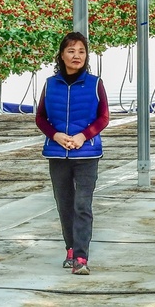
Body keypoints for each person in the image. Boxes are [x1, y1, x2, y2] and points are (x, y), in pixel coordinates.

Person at [35, 31, 109, 275]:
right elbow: (40, 117)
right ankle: (70, 247)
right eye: (71, 51)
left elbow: (104, 117)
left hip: (87, 154)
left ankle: (81, 257)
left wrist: (82, 136)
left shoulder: (95, 83)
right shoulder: (50, 84)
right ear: (61, 55)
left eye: (81, 51)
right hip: (57, 154)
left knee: (82, 204)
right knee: (64, 203)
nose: (76, 56)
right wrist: (55, 135)